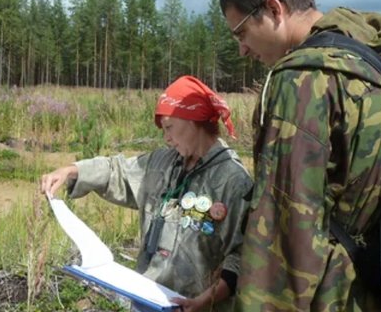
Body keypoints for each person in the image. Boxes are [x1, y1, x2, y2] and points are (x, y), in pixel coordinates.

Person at [219, 0, 381, 311]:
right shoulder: (376, 57)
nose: (241, 49)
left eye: (241, 32)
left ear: (274, 9)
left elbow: (285, 231)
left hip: (332, 292)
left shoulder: (301, 81)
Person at [41, 75, 253, 312]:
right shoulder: (163, 163)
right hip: (148, 301)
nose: (167, 138)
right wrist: (73, 170)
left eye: (170, 127)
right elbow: (117, 171)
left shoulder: (233, 181)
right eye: (164, 130)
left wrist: (205, 300)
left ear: (193, 119)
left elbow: (243, 257)